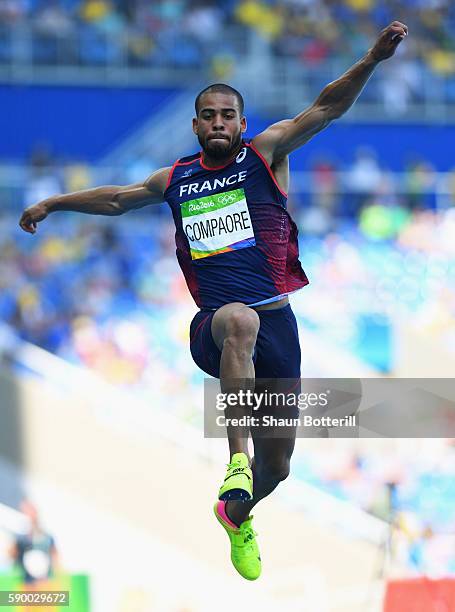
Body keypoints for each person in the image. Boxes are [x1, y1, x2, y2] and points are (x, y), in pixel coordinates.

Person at [19, 21, 408, 581]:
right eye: (210, 115)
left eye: (229, 115)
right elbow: (115, 200)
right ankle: (234, 462)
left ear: (241, 124)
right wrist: (53, 203)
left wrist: (371, 58)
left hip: (280, 327)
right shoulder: (175, 178)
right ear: (196, 124)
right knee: (239, 321)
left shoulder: (266, 153)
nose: (219, 123)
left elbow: (326, 108)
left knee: (280, 467)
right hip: (218, 328)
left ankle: (238, 513)